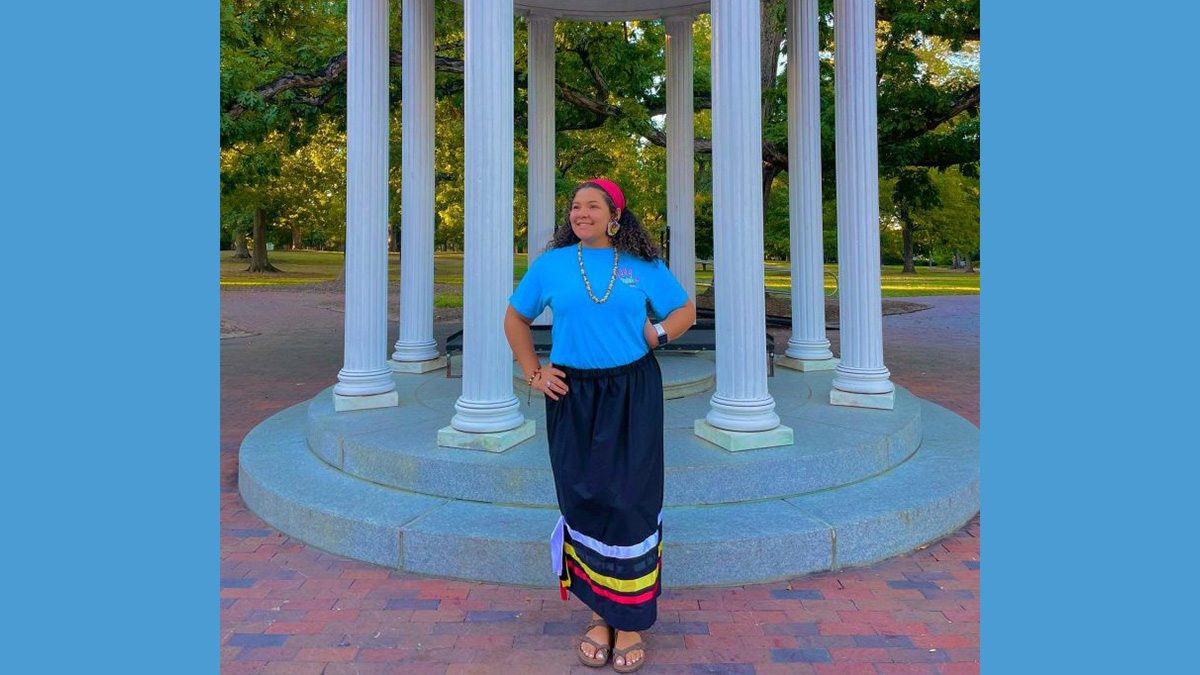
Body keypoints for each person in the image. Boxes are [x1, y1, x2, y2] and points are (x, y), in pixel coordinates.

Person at [505, 178, 696, 672]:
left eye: (593, 206)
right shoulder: (550, 266)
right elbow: (514, 319)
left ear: (615, 216)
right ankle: (598, 614)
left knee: (631, 499)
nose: (581, 213)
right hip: (572, 393)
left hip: (632, 391)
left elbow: (684, 310)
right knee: (585, 496)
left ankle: (629, 619)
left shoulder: (642, 266)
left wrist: (656, 334)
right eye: (575, 206)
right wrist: (534, 372)